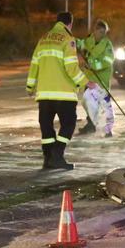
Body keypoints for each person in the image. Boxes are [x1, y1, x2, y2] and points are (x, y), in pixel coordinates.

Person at [26, 12, 97, 170]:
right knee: (69, 124)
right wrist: (86, 82)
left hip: (44, 95)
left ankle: (48, 159)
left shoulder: (43, 39)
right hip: (63, 94)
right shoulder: (67, 39)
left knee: (46, 127)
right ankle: (57, 156)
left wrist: (30, 86)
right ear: (69, 24)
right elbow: (71, 68)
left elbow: (34, 64)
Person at [77, 20, 115, 137]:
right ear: (94, 31)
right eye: (99, 31)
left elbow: (107, 61)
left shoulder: (107, 45)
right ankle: (91, 124)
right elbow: (80, 44)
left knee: (103, 104)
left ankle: (107, 129)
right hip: (89, 79)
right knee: (88, 103)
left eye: (104, 32)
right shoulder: (89, 41)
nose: (101, 34)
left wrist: (93, 65)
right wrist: (71, 40)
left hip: (101, 80)